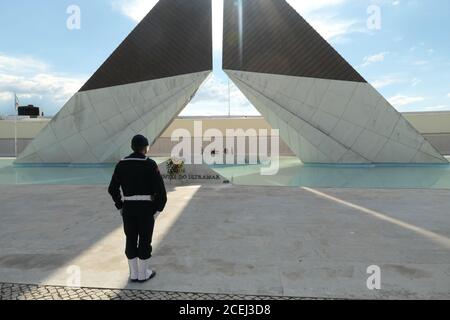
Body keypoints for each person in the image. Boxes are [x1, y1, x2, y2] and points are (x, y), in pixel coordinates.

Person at [108, 134, 167, 283]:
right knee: (145, 240)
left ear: (132, 147)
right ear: (146, 148)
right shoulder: (150, 164)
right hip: (146, 208)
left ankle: (133, 274)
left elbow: (112, 189)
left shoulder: (121, 164)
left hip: (128, 208)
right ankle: (143, 274)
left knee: (130, 238)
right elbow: (161, 192)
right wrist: (157, 210)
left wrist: (120, 206)